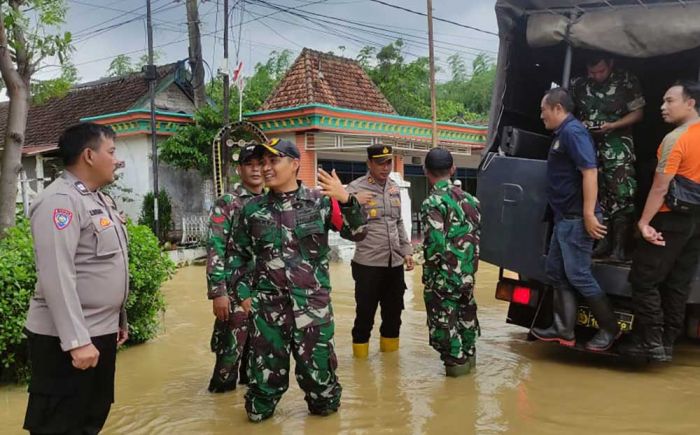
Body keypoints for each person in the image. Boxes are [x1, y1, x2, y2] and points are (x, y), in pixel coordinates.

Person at [228, 138, 367, 422]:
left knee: (323, 398)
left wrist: (346, 199)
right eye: (262, 162)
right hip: (267, 315)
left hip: (312, 312)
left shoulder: (320, 202)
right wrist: (243, 295)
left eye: (273, 160)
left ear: (294, 164)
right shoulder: (251, 210)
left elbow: (358, 232)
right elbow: (236, 256)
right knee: (259, 404)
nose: (265, 168)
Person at [23, 123, 129, 434]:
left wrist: (118, 318)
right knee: (58, 425)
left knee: (90, 418)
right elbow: (57, 274)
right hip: (65, 340)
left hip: (99, 331)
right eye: (111, 152)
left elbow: (105, 266)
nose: (117, 159)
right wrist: (77, 341)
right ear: (89, 155)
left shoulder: (98, 200)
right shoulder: (60, 201)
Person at [531, 87, 621, 352]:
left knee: (579, 274)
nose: (541, 115)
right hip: (564, 218)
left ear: (558, 108)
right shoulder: (563, 134)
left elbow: (590, 172)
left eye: (543, 110)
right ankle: (564, 328)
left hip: (576, 219)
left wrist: (589, 214)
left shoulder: (573, 132)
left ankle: (610, 328)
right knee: (556, 272)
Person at [620, 81, 700, 362]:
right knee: (678, 283)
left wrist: (643, 223)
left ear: (690, 103)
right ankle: (667, 342)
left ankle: (649, 342)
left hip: (669, 218)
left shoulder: (676, 138)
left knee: (643, 279)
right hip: (695, 222)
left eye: (670, 101)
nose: (663, 107)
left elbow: (660, 187)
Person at [571, 54, 645, 261]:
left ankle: (620, 248)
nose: (596, 76)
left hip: (617, 146)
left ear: (611, 64)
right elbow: (570, 113)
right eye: (592, 72)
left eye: (601, 71)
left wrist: (612, 125)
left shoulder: (626, 80)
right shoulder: (579, 84)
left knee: (622, 194)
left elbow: (638, 113)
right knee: (599, 194)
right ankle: (603, 244)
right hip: (589, 147)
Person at [346, 144, 414, 358]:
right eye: (380, 163)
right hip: (368, 264)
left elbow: (399, 222)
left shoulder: (394, 188)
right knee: (364, 317)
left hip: (394, 264)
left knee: (394, 316)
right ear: (369, 163)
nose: (385, 168)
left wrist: (407, 251)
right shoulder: (354, 189)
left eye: (388, 163)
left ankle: (390, 367)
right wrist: (351, 202)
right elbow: (341, 222)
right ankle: (361, 367)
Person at [206, 144, 264, 392]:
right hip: (233, 291)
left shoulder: (272, 201)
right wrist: (218, 292)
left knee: (257, 361)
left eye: (260, 164)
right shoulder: (228, 203)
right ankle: (220, 403)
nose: (256, 169)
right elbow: (215, 247)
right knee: (229, 356)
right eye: (249, 164)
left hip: (263, 290)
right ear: (239, 169)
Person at [420, 148, 481, 377]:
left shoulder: (433, 202)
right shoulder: (472, 200)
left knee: (445, 332)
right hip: (467, 276)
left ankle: (456, 380)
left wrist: (429, 272)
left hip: (444, 279)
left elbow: (435, 245)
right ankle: (469, 383)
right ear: (453, 168)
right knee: (467, 327)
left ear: (426, 171)